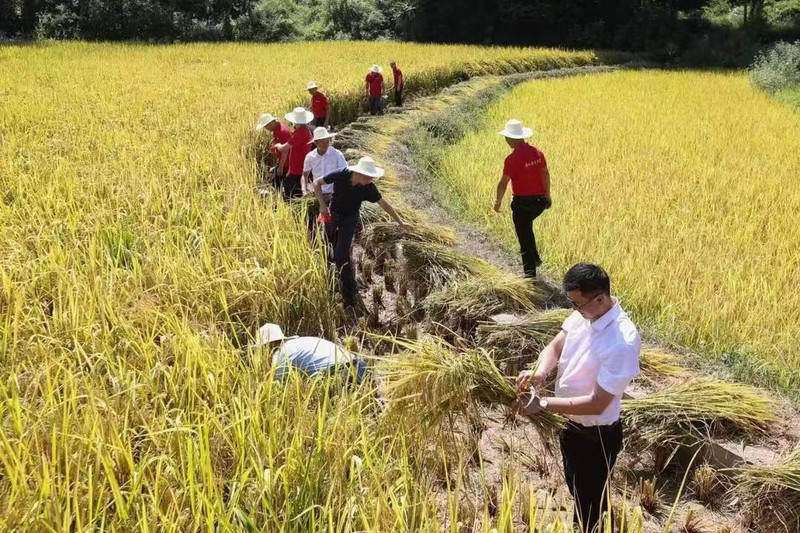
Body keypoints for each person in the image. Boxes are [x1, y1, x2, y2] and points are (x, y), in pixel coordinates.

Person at [514, 263, 640, 533]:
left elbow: (598, 403)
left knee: (588, 506)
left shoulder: (621, 341)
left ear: (601, 298)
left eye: (578, 304)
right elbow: (557, 344)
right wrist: (539, 372)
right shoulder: (585, 316)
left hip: (596, 436)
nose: (575, 310)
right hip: (569, 425)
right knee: (577, 486)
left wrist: (543, 404)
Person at [313, 156, 408, 313]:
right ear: (360, 173)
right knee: (327, 246)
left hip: (350, 219)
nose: (372, 179)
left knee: (341, 255)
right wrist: (323, 206)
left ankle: (350, 289)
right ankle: (329, 278)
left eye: (372, 176)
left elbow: (384, 203)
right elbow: (317, 183)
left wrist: (400, 222)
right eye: (369, 176)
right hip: (332, 213)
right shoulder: (341, 174)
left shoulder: (368, 188)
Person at [494, 119, 551, 279]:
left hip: (523, 205)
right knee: (527, 229)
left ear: (511, 139)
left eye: (506, 137)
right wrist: (548, 195)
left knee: (524, 237)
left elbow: (503, 183)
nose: (505, 140)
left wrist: (497, 202)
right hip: (539, 202)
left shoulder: (511, 160)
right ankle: (535, 257)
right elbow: (545, 173)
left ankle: (530, 275)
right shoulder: (537, 153)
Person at [252, 323, 366, 383]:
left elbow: (278, 387)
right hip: (360, 365)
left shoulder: (281, 354)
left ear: (268, 346)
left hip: (343, 376)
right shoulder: (300, 342)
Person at [302, 127, 348, 251]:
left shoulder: (337, 154)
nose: (326, 144)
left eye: (328, 141)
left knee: (330, 223)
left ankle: (331, 245)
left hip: (334, 193)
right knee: (313, 220)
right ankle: (316, 244)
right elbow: (305, 175)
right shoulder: (310, 157)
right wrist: (304, 190)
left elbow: (345, 174)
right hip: (318, 193)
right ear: (316, 143)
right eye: (323, 142)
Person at [274, 107, 314, 201]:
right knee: (295, 189)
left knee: (291, 191)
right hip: (301, 164)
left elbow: (284, 148)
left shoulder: (300, 133)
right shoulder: (305, 130)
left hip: (297, 168)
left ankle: (293, 207)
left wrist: (278, 145)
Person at [253, 113, 291, 190]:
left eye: (266, 126)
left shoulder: (282, 131)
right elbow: (277, 143)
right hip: (282, 161)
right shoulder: (276, 129)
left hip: (287, 162)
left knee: (283, 185)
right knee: (275, 182)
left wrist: (280, 167)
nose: (266, 129)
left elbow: (285, 151)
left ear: (271, 123)